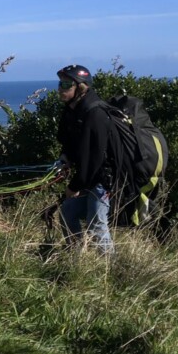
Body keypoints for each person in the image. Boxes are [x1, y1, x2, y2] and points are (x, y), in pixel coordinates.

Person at [54, 64, 126, 255]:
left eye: (66, 84)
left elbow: (93, 158)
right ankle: (75, 257)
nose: (61, 88)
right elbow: (68, 142)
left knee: (96, 225)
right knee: (67, 213)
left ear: (81, 87)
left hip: (101, 179)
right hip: (86, 176)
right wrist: (66, 158)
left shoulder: (95, 114)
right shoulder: (72, 109)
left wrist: (75, 186)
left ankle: (110, 270)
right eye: (60, 83)